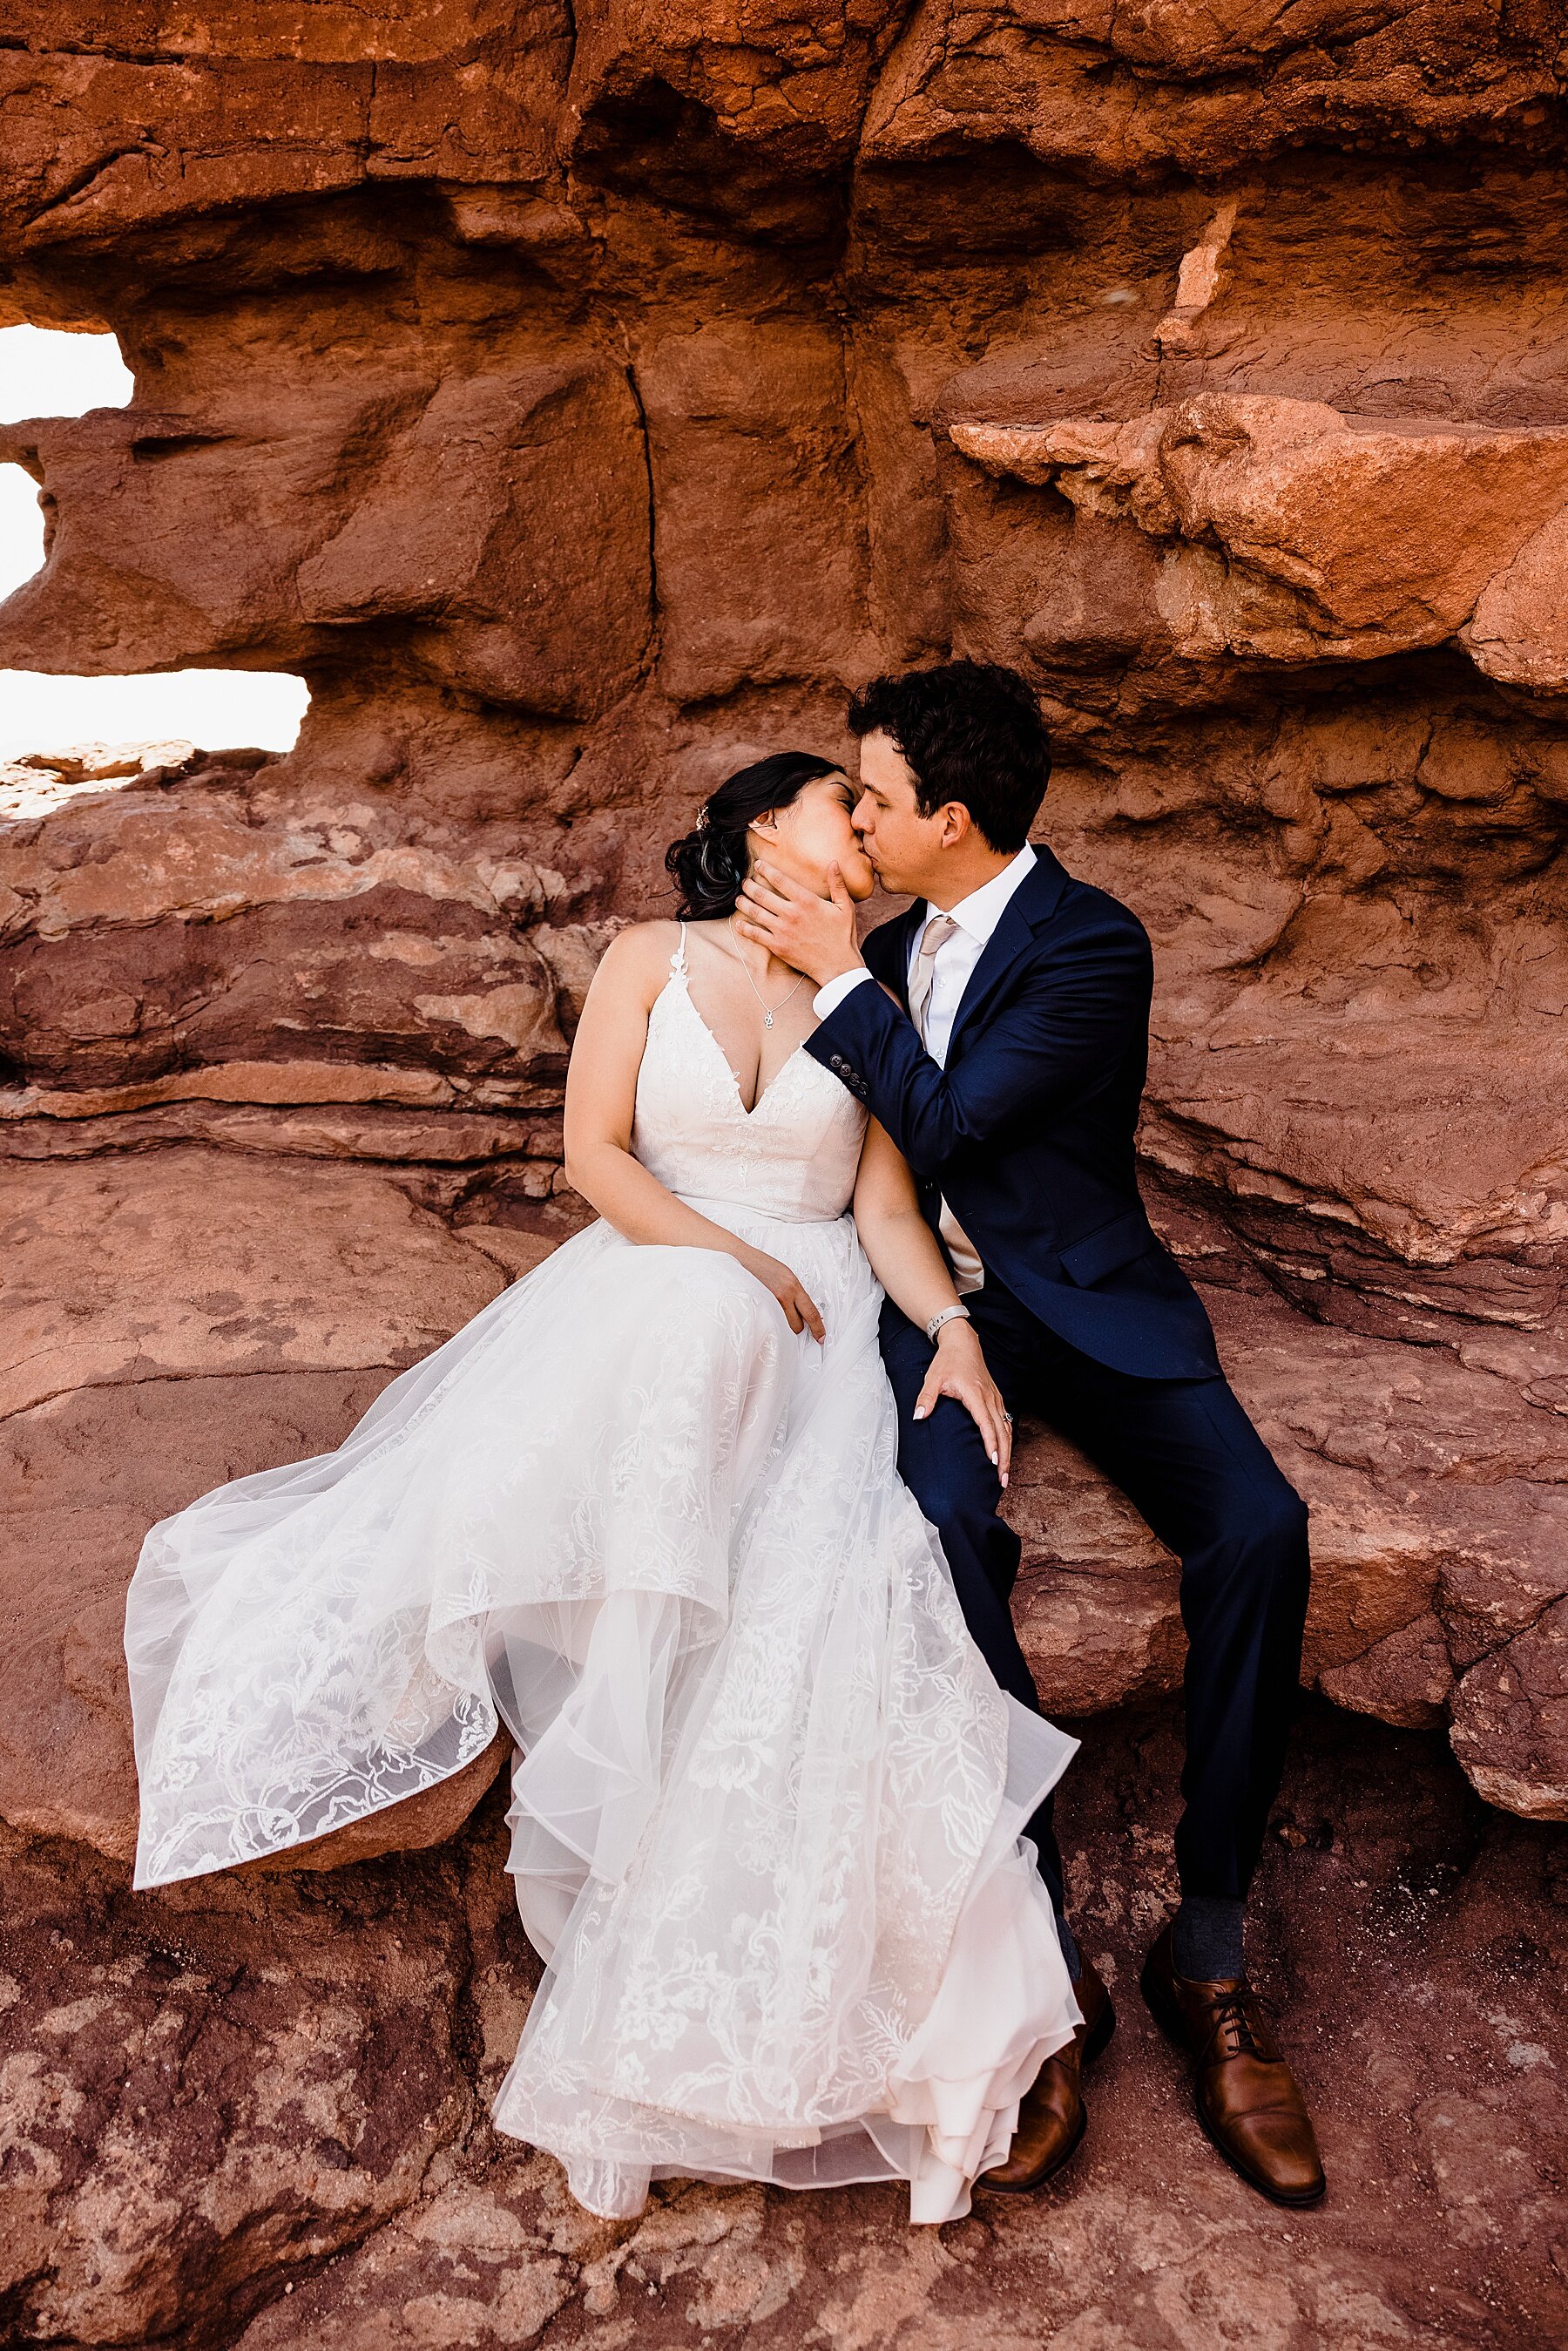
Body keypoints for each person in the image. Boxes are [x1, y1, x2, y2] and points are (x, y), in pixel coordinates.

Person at [125, 749, 1083, 2226]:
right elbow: (592, 1153)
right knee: (688, 1344)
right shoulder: (651, 956)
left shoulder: (867, 993)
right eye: (845, 803)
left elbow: (888, 1203)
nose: (869, 832)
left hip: (823, 1320)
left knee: (830, 1607)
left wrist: (953, 1331)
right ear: (771, 825)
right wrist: (736, 1261)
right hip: (664, 1276)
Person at [735, 664, 1326, 2209]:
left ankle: (1208, 1947)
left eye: (871, 795)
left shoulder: (1090, 945)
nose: (852, 815)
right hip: (929, 1306)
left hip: (1079, 1300)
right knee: (937, 1538)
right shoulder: (888, 925)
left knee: (1263, 1529)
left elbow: (952, 1126)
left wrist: (844, 981)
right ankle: (1041, 1967)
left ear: (951, 815)